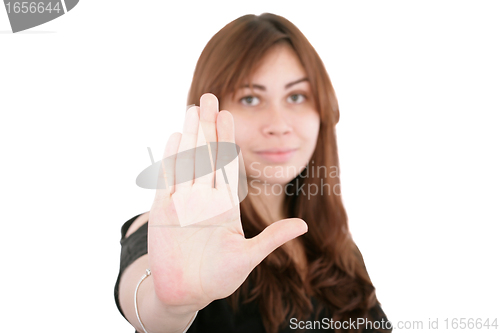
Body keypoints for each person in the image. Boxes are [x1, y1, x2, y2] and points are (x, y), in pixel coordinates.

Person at [114, 13, 392, 333]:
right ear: (213, 114)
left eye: (296, 96)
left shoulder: (338, 249)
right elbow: (149, 304)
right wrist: (170, 306)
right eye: (250, 98)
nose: (278, 124)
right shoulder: (177, 228)